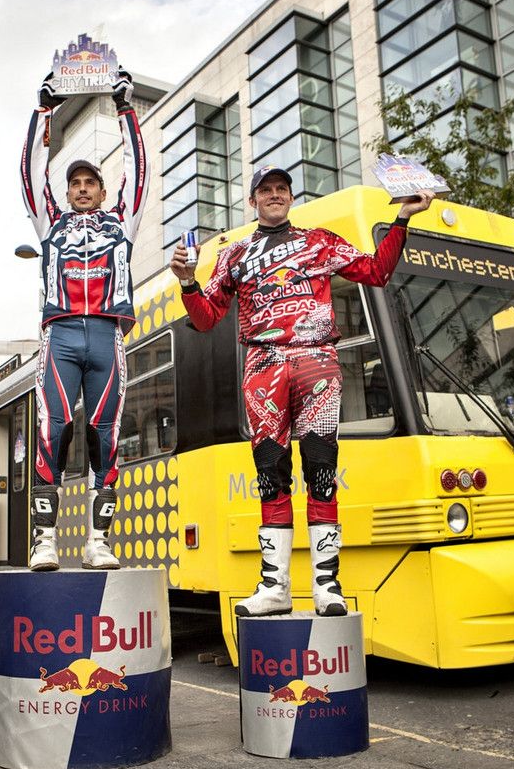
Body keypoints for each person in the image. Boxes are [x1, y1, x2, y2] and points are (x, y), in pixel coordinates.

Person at [170, 166, 433, 616]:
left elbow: (376, 271)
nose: (274, 195)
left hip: (317, 362)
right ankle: (275, 587)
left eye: (281, 189)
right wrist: (189, 282)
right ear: (252, 201)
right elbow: (205, 318)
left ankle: (327, 587)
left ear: (291, 196)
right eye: (265, 190)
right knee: (270, 475)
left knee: (322, 472)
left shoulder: (321, 241)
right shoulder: (234, 254)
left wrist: (404, 218)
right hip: (263, 367)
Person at [19, 69, 148, 572]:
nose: (81, 189)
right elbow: (30, 174)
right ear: (66, 192)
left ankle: (99, 541)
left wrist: (124, 107)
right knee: (52, 430)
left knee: (104, 434)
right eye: (73, 183)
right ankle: (44, 540)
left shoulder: (122, 222)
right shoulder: (49, 223)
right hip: (62, 334)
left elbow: (139, 171)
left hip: (109, 334)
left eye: (89, 182)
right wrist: (43, 111)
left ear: (101, 188)